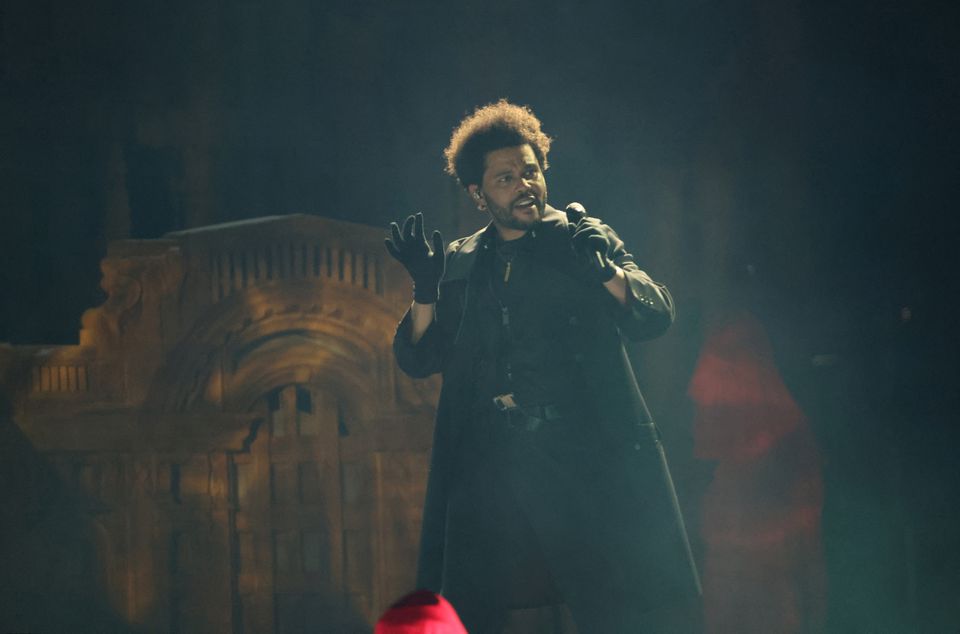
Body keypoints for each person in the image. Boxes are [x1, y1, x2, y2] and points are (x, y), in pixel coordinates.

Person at [386, 100, 700, 633]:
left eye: (530, 171)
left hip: (576, 457)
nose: (523, 184)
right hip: (489, 464)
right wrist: (425, 290)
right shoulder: (463, 259)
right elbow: (419, 357)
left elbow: (656, 316)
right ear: (478, 194)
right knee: (472, 606)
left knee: (606, 604)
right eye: (505, 178)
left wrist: (604, 270)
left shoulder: (581, 238)